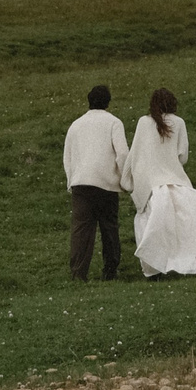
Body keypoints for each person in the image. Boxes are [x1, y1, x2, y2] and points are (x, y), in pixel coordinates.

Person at [127, 88, 196, 278]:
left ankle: (153, 269)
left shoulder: (143, 122)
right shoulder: (178, 123)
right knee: (185, 226)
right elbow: (183, 156)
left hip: (151, 185)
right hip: (174, 182)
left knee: (150, 225)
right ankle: (188, 261)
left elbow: (135, 154)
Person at [61, 83, 129, 281]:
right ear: (108, 102)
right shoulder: (114, 123)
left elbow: (68, 157)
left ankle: (78, 273)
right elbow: (123, 153)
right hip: (105, 183)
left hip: (81, 183)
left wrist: (71, 180)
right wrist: (124, 179)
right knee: (109, 227)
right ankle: (110, 271)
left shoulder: (76, 125)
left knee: (81, 230)